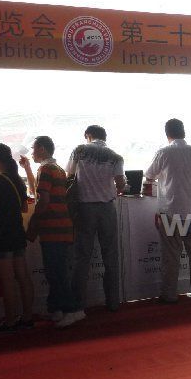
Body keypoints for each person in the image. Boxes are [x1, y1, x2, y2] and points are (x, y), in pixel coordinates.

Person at [145, 119, 191, 304]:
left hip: (170, 211)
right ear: (184, 132)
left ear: (167, 133)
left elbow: (149, 175)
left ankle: (169, 295)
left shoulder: (163, 152)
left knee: (170, 256)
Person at [66, 125, 126, 322]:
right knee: (110, 256)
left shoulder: (79, 151)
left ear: (88, 136)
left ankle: (78, 305)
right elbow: (120, 184)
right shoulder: (115, 156)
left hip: (84, 208)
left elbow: (69, 174)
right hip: (107, 208)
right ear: (105, 137)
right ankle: (113, 302)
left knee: (82, 257)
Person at [18, 136, 75, 324]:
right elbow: (37, 191)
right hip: (61, 227)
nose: (32, 152)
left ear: (42, 149)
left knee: (56, 273)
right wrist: (27, 169)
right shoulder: (56, 169)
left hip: (53, 228)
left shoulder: (46, 170)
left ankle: (68, 310)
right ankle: (57, 309)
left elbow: (42, 201)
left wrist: (33, 224)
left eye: (34, 148)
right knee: (56, 271)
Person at [0, 144, 34, 333]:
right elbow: (24, 208)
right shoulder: (16, 179)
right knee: (23, 276)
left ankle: (10, 321)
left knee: (7, 280)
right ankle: (27, 318)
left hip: (1, 235)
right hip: (17, 232)